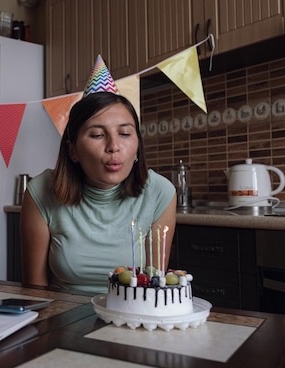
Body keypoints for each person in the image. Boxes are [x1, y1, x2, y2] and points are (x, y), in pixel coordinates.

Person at [20, 91, 177, 294]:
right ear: (72, 150)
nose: (113, 147)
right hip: (61, 319)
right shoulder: (40, 191)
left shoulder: (160, 193)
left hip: (130, 319)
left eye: (125, 134)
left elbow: (155, 287)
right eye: (97, 135)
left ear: (138, 146)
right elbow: (35, 291)